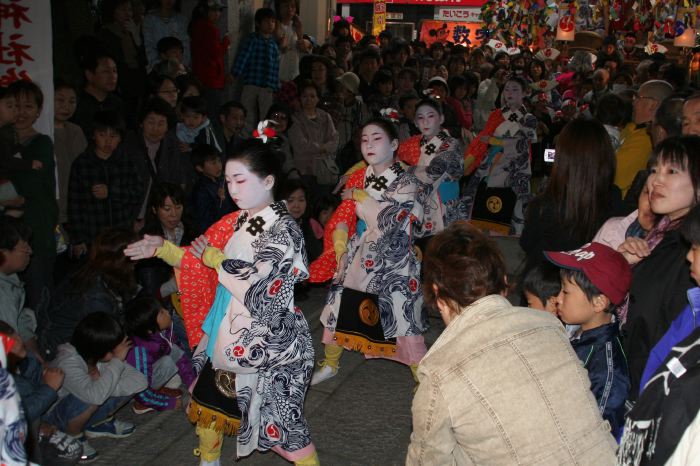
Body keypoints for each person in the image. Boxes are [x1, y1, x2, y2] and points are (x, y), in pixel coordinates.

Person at [124, 138, 318, 466]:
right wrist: (162, 249)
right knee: (209, 407)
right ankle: (209, 462)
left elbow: (265, 286)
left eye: (240, 180)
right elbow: (198, 256)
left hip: (268, 340)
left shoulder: (285, 230)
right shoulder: (238, 220)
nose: (232, 189)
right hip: (229, 333)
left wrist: (217, 260)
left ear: (268, 181)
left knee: (284, 427)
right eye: (228, 181)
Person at [406, 221, 618, 464]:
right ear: (505, 284)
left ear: (438, 296)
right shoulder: (550, 326)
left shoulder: (439, 372)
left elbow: (425, 461)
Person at [309, 118, 427, 386]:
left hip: (392, 258)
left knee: (403, 318)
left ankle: (424, 377)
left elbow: (393, 223)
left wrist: (362, 197)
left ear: (394, 144)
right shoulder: (359, 176)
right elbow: (343, 216)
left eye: (377, 138)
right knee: (337, 309)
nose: (369, 144)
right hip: (359, 251)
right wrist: (340, 244)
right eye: (364, 139)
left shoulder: (407, 181)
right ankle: (330, 363)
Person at [620, 136, 700, 400]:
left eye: (672, 171)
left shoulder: (690, 251)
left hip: (655, 390)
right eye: (654, 170)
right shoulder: (656, 237)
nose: (656, 180)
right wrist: (621, 265)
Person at [545, 242, 632, 439]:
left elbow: (595, 438)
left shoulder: (608, 371)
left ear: (598, 302)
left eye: (565, 292)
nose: (557, 298)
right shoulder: (574, 333)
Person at [44, 312, 147, 462]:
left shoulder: (97, 357)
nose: (119, 352)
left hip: (86, 404)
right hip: (54, 418)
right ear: (100, 348)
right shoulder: (67, 363)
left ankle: (97, 424)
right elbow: (94, 396)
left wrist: (107, 382)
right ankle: (73, 436)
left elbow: (140, 381)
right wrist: (116, 363)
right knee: (94, 395)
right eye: (114, 349)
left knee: (106, 385)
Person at [520, 118, 618, 275]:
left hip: (545, 288)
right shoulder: (614, 196)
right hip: (589, 286)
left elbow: (526, 242)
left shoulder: (545, 204)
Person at [39, 228, 139, 359]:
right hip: (64, 354)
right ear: (122, 262)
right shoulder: (95, 297)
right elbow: (103, 341)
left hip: (76, 345)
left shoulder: (95, 268)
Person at [0, 321, 82, 465]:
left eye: (15, 334)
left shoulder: (27, 360)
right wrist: (49, 389)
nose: (19, 340)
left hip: (32, 425)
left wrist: (41, 423)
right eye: (10, 340)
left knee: (71, 449)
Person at [463, 76, 537, 234]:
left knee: (512, 200)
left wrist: (495, 141)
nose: (510, 93)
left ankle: (512, 231)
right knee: (486, 197)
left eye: (515, 89)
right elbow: (483, 137)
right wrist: (472, 157)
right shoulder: (496, 114)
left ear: (525, 93)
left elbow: (522, 143)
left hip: (516, 165)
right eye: (507, 89)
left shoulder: (529, 119)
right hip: (493, 162)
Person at [8, 80, 58, 310]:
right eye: (14, 106)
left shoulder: (42, 143)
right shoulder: (4, 141)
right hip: (7, 236)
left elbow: (28, 186)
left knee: (37, 298)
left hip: (36, 231)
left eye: (28, 106)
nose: (20, 112)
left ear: (38, 111)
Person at [67, 110, 142, 253]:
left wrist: (111, 192)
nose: (108, 141)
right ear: (93, 135)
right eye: (102, 135)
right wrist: (78, 238)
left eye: (113, 136)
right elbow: (75, 205)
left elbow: (137, 192)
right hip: (94, 235)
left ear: (120, 138)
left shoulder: (126, 161)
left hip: (122, 234)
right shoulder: (82, 164)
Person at [398, 98, 464, 236]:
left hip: (445, 205)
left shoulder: (450, 143)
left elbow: (433, 173)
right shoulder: (413, 144)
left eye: (431, 116)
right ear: (415, 123)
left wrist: (404, 168)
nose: (425, 122)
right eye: (420, 118)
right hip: (422, 203)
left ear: (441, 118)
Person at [124, 97, 191, 227]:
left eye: (161, 124)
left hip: (155, 218)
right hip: (128, 214)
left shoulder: (171, 145)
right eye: (151, 122)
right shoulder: (128, 144)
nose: (155, 128)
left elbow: (174, 182)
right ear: (141, 123)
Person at [124, 296, 195, 414]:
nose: (167, 312)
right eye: (161, 313)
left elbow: (182, 359)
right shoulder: (140, 350)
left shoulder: (164, 331)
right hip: (135, 388)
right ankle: (140, 404)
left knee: (176, 368)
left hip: (151, 371)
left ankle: (159, 390)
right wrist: (168, 403)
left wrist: (193, 387)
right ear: (149, 329)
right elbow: (140, 389)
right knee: (169, 362)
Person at [615, 80, 673, 196]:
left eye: (638, 98)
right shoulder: (633, 127)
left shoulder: (647, 139)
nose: (633, 103)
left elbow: (613, 173)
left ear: (653, 104)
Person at [231, 7, 280, 134]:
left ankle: (265, 139)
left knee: (267, 113)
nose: (270, 24)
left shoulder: (274, 44)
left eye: (273, 22)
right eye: (267, 21)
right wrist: (235, 73)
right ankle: (246, 136)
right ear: (258, 23)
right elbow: (243, 57)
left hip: (267, 86)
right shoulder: (253, 39)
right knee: (247, 111)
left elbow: (276, 66)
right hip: (251, 82)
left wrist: (275, 86)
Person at [288, 81, 339, 193]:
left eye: (312, 96)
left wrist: (322, 147)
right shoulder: (294, 119)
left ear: (318, 99)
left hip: (324, 170)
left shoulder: (325, 116)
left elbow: (334, 140)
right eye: (304, 96)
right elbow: (300, 145)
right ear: (300, 98)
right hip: (304, 171)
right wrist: (323, 147)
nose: (308, 99)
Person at [0, 217, 39, 358]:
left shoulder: (10, 278)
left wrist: (34, 353)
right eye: (25, 248)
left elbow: (20, 319)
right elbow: (9, 350)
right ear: (3, 253)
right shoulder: (2, 295)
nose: (31, 251)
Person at [0, 85, 41, 218]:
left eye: (15, 106)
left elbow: (11, 150)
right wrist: (29, 164)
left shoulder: (6, 131)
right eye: (10, 106)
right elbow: (5, 161)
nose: (16, 111)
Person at [53, 79, 88, 228]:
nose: (66, 106)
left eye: (72, 101)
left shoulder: (76, 131)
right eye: (60, 100)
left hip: (75, 208)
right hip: (50, 208)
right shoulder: (40, 131)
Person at [189, 0, 230, 119]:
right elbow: (216, 53)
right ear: (205, 11)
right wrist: (226, 41)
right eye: (213, 10)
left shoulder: (198, 25)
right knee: (212, 114)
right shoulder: (209, 28)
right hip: (210, 78)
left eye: (219, 10)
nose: (217, 14)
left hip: (202, 76)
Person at [71, 49, 126, 137]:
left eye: (115, 71)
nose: (113, 76)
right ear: (89, 75)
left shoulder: (117, 104)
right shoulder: (76, 104)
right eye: (106, 71)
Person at [191, 144, 235, 233]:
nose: (219, 165)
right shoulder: (200, 190)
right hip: (214, 233)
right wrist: (219, 199)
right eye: (213, 163)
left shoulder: (223, 180)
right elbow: (206, 219)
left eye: (219, 161)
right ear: (200, 168)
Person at [280, 178, 322, 263]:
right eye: (290, 200)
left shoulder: (308, 224)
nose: (296, 205)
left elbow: (318, 256)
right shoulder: (274, 227)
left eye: (301, 200)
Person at [143, 0, 191, 71]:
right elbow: (149, 47)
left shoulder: (182, 20)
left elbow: (185, 46)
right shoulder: (149, 20)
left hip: (180, 69)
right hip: (159, 70)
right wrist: (160, 67)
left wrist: (181, 66)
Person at [275, 0, 304, 82]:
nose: (290, 9)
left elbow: (301, 47)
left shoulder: (296, 26)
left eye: (293, 6)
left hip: (294, 73)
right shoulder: (275, 26)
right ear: (279, 8)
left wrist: (300, 32)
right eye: (286, 6)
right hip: (278, 73)